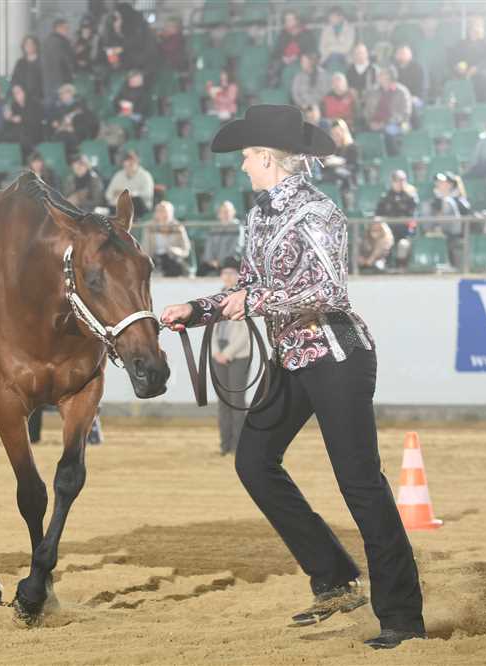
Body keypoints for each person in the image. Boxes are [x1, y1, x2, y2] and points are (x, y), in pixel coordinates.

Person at [159, 104, 426, 651]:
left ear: (267, 158)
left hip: (336, 357)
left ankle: (402, 616)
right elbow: (247, 288)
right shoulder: (259, 216)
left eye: (246, 158)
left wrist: (253, 301)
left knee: (360, 482)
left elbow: (329, 291)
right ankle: (333, 577)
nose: (241, 167)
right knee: (254, 462)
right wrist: (197, 309)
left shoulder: (319, 212)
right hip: (293, 358)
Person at [210, 256, 251, 456]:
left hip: (238, 355)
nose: (227, 276)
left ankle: (238, 445)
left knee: (236, 401)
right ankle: (224, 444)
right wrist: (215, 351)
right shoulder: (216, 298)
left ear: (238, 276)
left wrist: (227, 353)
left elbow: (245, 333)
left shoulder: (244, 297)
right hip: (219, 352)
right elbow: (211, 327)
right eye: (225, 272)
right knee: (223, 401)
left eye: (232, 273)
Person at [448, 15, 486, 103]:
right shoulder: (461, 44)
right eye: (475, 26)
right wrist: (457, 66)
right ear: (470, 28)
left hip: (483, 76)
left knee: (483, 77)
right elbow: (453, 60)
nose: (478, 29)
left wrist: (477, 68)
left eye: (480, 26)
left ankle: (482, 105)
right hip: (463, 75)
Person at [364, 67, 411, 155]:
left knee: (389, 132)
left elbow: (405, 114)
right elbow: (367, 110)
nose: (379, 76)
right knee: (363, 133)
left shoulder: (401, 91)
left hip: (398, 124)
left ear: (389, 76)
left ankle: (394, 158)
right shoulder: (373, 91)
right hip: (375, 123)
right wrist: (371, 122)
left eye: (382, 74)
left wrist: (384, 123)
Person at [426, 171, 467, 267]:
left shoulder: (458, 200)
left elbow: (464, 214)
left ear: (450, 184)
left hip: (455, 232)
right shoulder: (435, 199)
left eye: (442, 182)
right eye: (438, 182)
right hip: (438, 231)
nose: (438, 184)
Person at [142, 200, 190, 277]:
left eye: (164, 211)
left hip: (172, 257)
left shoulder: (178, 227)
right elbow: (145, 248)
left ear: (171, 213)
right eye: (159, 211)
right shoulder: (149, 227)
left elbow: (185, 249)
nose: (161, 214)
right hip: (155, 257)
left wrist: (176, 250)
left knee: (180, 267)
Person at [269, 11, 316, 86]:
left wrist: (297, 57)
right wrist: (283, 58)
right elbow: (275, 52)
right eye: (286, 20)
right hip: (284, 61)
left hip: (301, 61)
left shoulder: (307, 34)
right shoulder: (282, 34)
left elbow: (311, 51)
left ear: (297, 21)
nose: (288, 22)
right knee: (274, 67)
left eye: (290, 20)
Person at [47, 83, 98, 152]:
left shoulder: (81, 107)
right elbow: (53, 121)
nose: (60, 96)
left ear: (70, 94)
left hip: (77, 138)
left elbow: (90, 124)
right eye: (60, 94)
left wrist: (73, 129)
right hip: (61, 136)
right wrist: (54, 123)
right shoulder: (59, 108)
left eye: (62, 94)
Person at [198, 200, 244, 276]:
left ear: (233, 212)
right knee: (201, 270)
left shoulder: (238, 227)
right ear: (219, 214)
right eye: (223, 212)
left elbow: (236, 248)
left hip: (230, 261)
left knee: (231, 262)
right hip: (213, 262)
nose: (226, 214)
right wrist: (211, 260)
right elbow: (209, 247)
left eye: (228, 211)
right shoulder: (214, 228)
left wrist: (221, 262)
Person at [0, 84, 43, 158]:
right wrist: (8, 118)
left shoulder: (34, 103)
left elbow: (36, 121)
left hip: (34, 132)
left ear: (24, 92)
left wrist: (21, 119)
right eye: (14, 93)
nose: (16, 95)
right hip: (19, 133)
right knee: (2, 135)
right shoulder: (14, 105)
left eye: (18, 92)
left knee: (22, 135)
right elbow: (10, 123)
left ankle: (30, 158)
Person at [375, 169, 419, 245]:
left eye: (403, 180)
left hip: (405, 232)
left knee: (403, 245)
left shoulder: (410, 196)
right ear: (392, 181)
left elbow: (412, 217)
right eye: (397, 180)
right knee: (382, 243)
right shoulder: (386, 197)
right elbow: (378, 215)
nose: (401, 183)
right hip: (388, 232)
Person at [105, 150, 154, 216]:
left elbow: (148, 194)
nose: (131, 162)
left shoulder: (145, 175)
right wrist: (117, 194)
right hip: (120, 207)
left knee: (136, 200)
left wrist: (130, 194)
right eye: (128, 160)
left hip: (139, 209)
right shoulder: (118, 175)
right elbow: (108, 195)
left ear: (137, 161)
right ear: (123, 163)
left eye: (133, 160)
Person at [41, 18, 75, 102]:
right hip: (62, 84)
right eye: (66, 28)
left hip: (48, 84)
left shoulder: (46, 41)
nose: (68, 31)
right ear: (58, 28)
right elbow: (66, 63)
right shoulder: (62, 42)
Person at [321, 119, 359, 191]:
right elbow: (323, 165)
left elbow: (354, 166)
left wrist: (341, 162)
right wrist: (326, 163)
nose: (336, 137)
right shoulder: (329, 148)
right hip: (331, 175)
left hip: (348, 176)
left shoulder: (352, 147)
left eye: (338, 134)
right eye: (333, 134)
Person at [318, 7, 355, 72]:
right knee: (332, 59)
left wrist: (330, 48)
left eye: (333, 17)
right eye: (330, 17)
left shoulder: (350, 29)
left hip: (345, 59)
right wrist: (337, 47)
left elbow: (346, 48)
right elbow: (322, 48)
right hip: (327, 58)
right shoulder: (326, 29)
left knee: (335, 57)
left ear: (341, 17)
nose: (330, 19)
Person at [10, 36, 44, 105]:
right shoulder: (20, 62)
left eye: (31, 44)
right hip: (22, 99)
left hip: (39, 99)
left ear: (36, 45)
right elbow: (15, 79)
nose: (29, 46)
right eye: (27, 44)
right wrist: (17, 90)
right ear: (23, 47)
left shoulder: (43, 62)